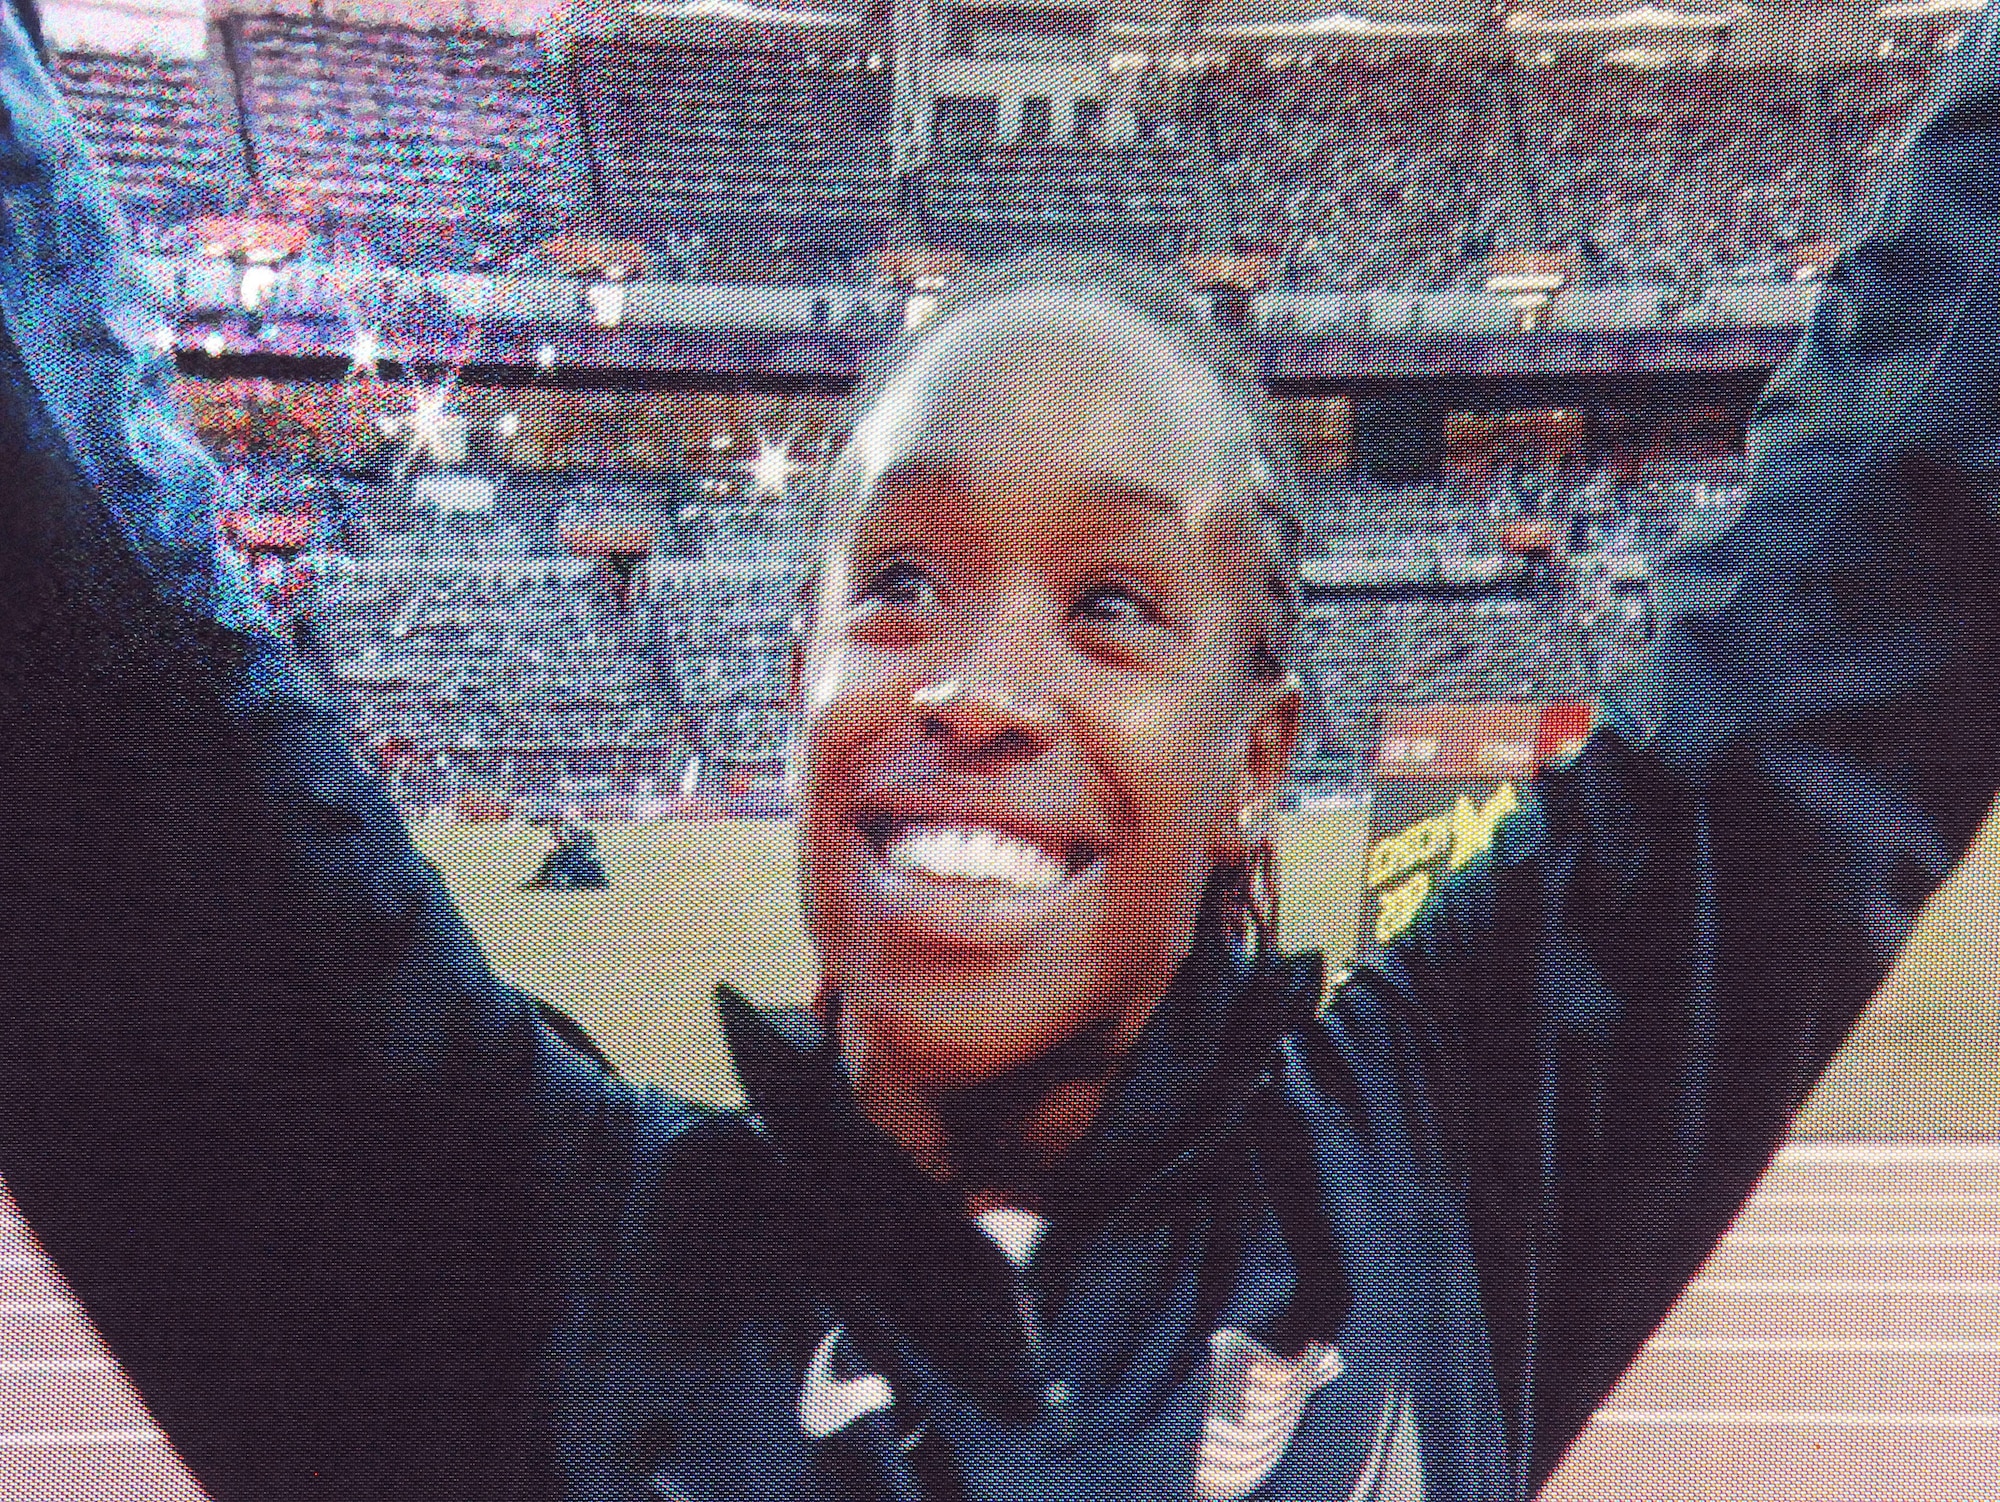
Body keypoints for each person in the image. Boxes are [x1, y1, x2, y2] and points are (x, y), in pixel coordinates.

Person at [0, 7, 1997, 1502]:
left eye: (1113, 604)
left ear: (1255, 757)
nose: (973, 684)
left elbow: (1890, 532)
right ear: (797, 691)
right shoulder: (521, 1262)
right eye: (898, 584)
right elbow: (97, 694)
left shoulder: (1437, 1180)